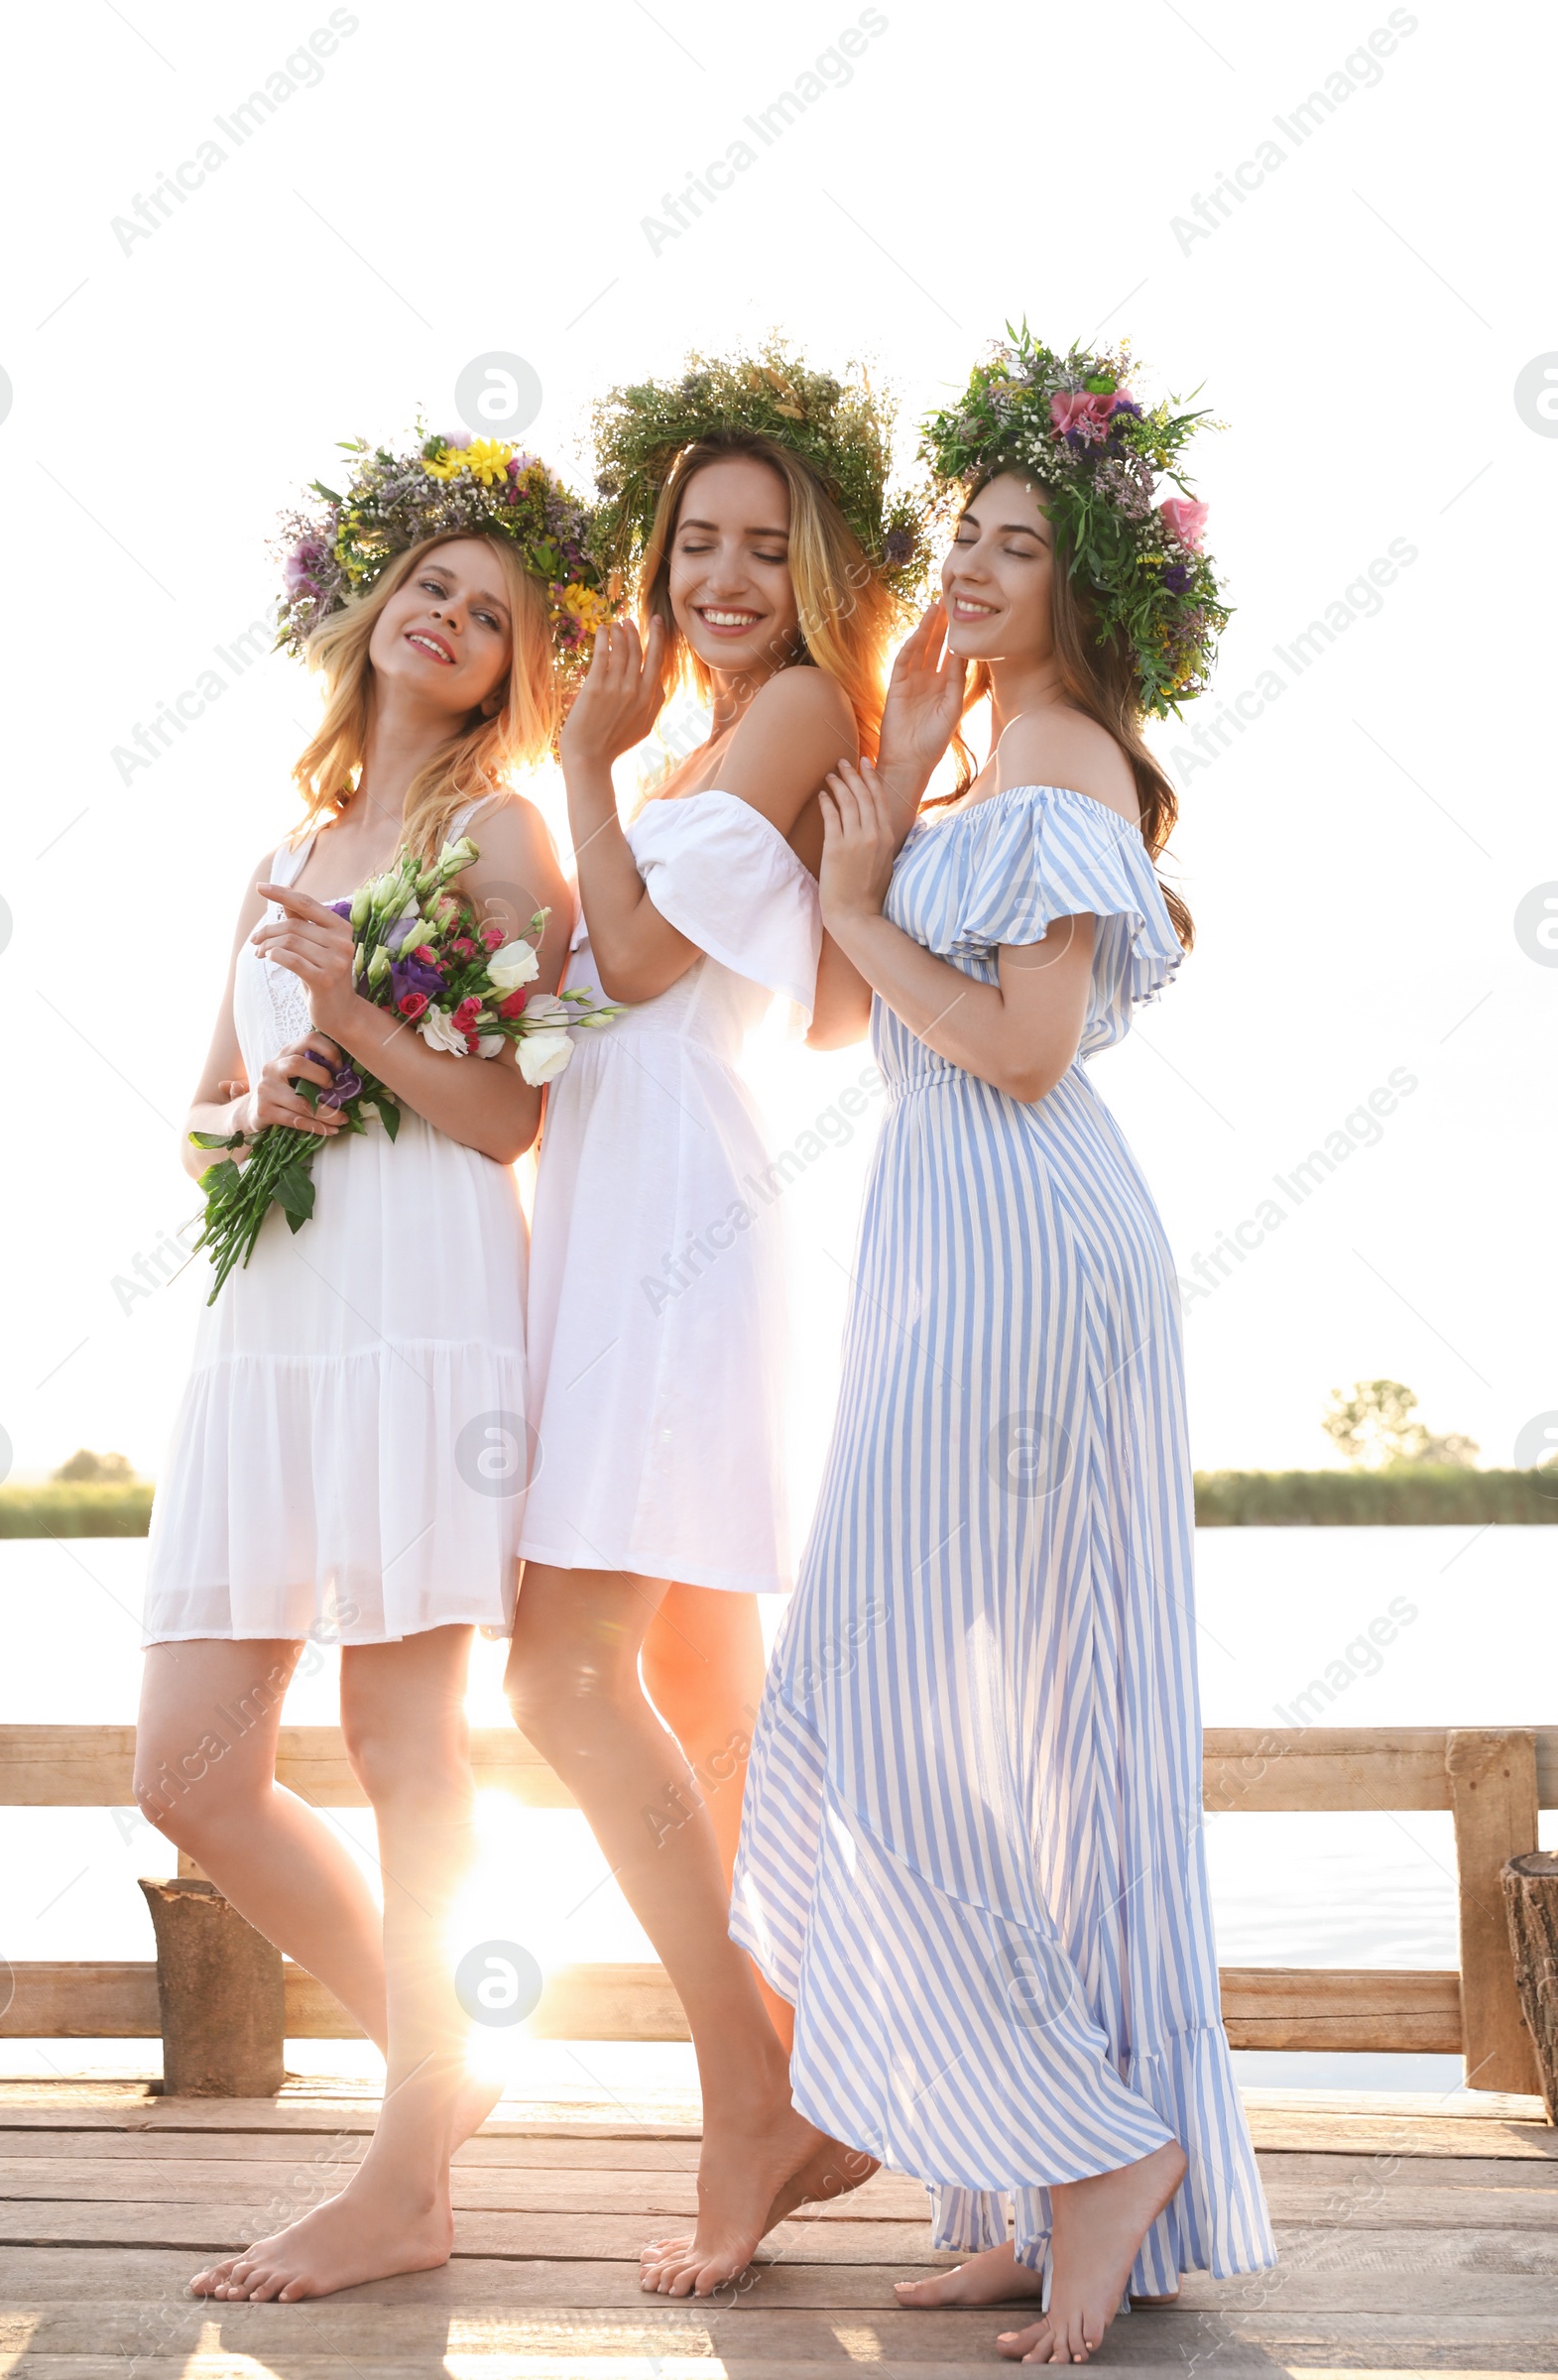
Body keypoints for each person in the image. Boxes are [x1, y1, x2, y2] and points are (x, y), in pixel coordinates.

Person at [648, 331, 1276, 2358]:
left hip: (1019, 1242)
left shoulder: (1073, 758)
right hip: (950, 1243)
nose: (973, 569)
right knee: (1002, 1724)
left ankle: (1094, 2155)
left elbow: (1009, 1052)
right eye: (964, 537)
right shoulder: (990, 762)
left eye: (1015, 546)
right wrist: (893, 790)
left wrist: (857, 888)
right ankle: (1033, 2173)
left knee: (879, 1681)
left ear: (1081, 584)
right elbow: (856, 1024)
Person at [134, 429, 608, 2302]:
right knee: (190, 1765)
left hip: (421, 1292)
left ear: (513, 667)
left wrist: (356, 1023)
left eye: (491, 615)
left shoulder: (506, 838)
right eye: (433, 583)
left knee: (404, 1739)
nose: (451, 617)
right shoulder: (283, 847)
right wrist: (259, 1104)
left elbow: (513, 1113)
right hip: (272, 1313)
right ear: (375, 603)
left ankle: (405, 2178)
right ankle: (450, 2061)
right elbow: (195, 1109)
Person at [504, 349, 926, 2275]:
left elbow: (632, 955)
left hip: (669, 1212)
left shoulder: (784, 711)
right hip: (638, 1195)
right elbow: (792, 992)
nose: (723, 574)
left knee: (557, 1678)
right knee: (701, 1699)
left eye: (764, 544)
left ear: (818, 564)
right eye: (696, 541)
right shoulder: (724, 740)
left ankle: (752, 2102)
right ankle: (825, 2078)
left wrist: (574, 769)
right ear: (653, 554)